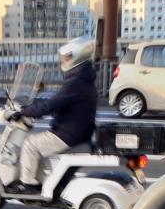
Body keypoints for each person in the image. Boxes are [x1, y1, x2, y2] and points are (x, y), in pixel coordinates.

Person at [7, 37, 98, 194]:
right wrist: (35, 107)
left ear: (76, 57)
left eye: (66, 57)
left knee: (30, 144)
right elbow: (59, 101)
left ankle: (27, 184)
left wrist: (23, 111)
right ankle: (39, 182)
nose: (62, 60)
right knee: (39, 148)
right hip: (79, 132)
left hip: (68, 134)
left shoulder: (75, 83)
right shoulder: (83, 79)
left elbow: (51, 105)